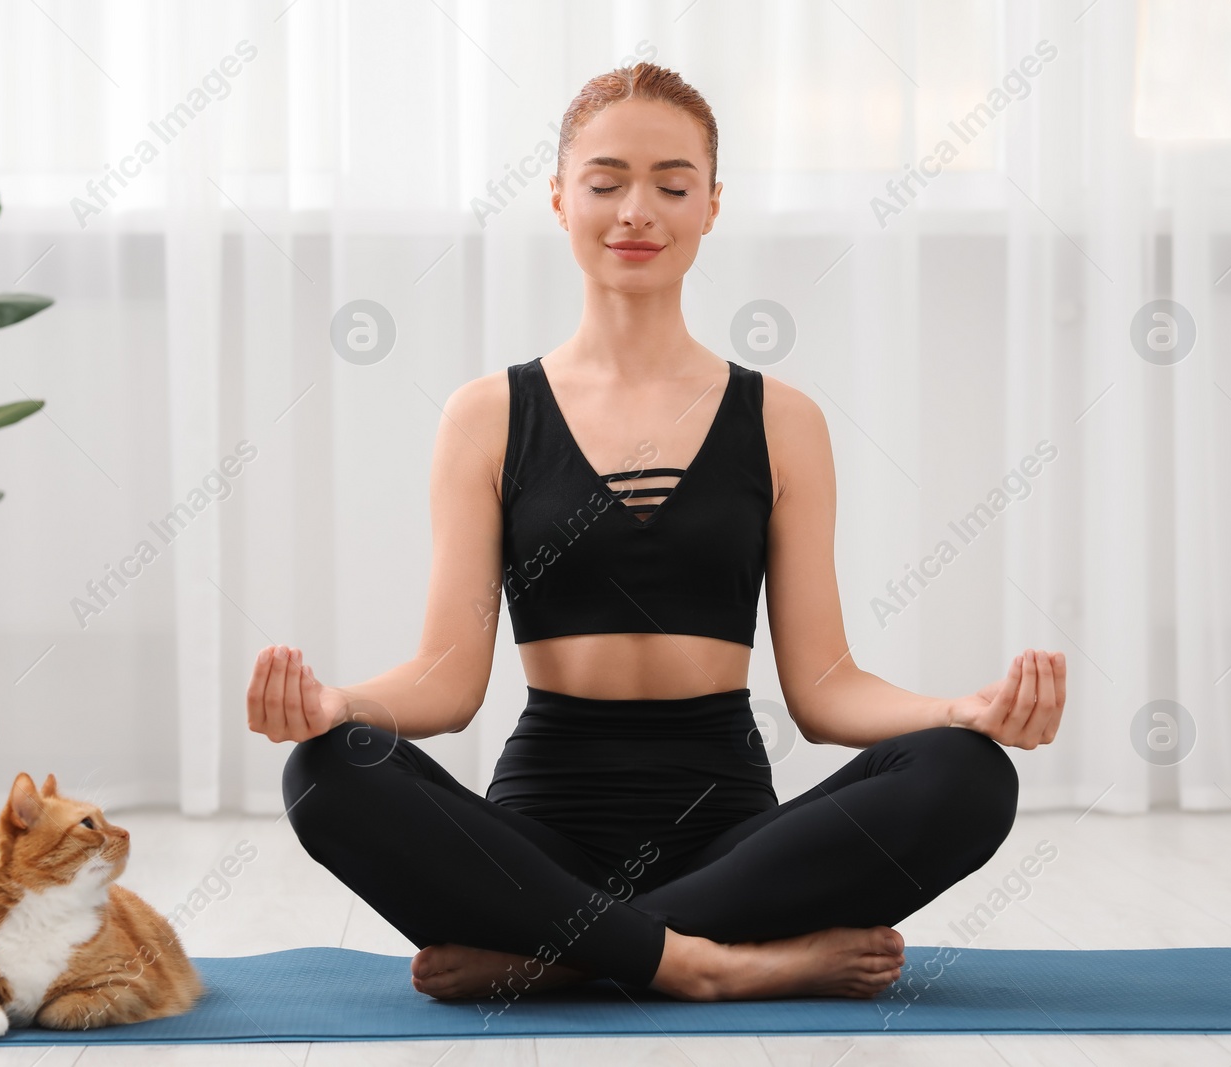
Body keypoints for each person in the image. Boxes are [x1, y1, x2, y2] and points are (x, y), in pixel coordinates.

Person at [247, 62, 1066, 1004]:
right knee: (328, 772)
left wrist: (958, 712)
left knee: (966, 774)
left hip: (733, 841)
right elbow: (446, 682)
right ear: (559, 200)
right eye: (606, 184)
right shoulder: (489, 415)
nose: (638, 210)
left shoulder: (780, 419)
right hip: (540, 837)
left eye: (672, 185)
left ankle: (562, 954)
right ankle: (710, 963)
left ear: (712, 205)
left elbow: (827, 689)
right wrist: (332, 703)